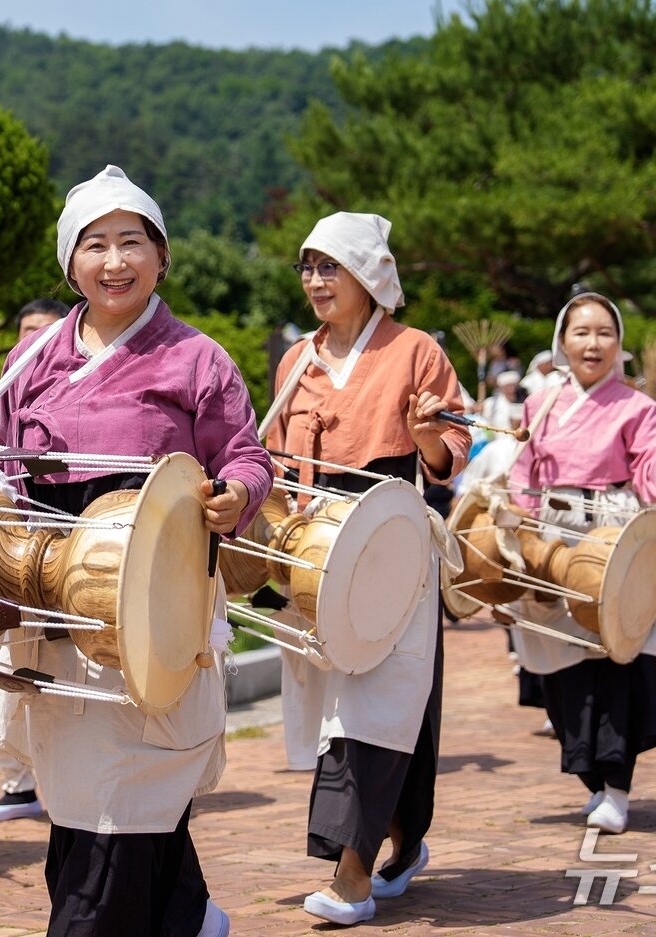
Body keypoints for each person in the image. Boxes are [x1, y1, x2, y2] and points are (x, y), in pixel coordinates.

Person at [0, 165, 272, 937]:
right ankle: (187, 914)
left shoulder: (199, 358)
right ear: (70, 264)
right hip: (53, 589)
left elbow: (246, 455)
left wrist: (236, 492)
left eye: (131, 242)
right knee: (84, 781)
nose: (115, 261)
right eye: (96, 245)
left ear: (161, 255)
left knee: (128, 776)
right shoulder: (31, 360)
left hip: (153, 586)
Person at [265, 211, 471, 927]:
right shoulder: (297, 359)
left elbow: (450, 452)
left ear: (368, 274)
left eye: (331, 266)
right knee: (356, 701)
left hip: (391, 539)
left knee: (378, 701)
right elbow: (275, 458)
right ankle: (406, 838)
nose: (315, 281)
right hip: (317, 546)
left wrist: (425, 437)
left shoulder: (416, 349)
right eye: (308, 267)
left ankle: (351, 876)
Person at [506, 291, 656, 835]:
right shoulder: (540, 404)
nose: (593, 343)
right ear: (562, 341)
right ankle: (593, 781)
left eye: (604, 332)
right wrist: (521, 526)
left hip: (614, 532)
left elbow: (651, 483)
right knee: (561, 663)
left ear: (619, 343)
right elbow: (523, 471)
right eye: (581, 332)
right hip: (553, 534)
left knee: (617, 657)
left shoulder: (639, 407)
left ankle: (617, 787)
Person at [0, 297, 71, 824]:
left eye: (46, 332)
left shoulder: (79, 388)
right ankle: (16, 782)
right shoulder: (5, 394)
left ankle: (62, 782)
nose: (34, 342)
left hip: (59, 550)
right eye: (26, 332)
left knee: (55, 667)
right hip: (4, 551)